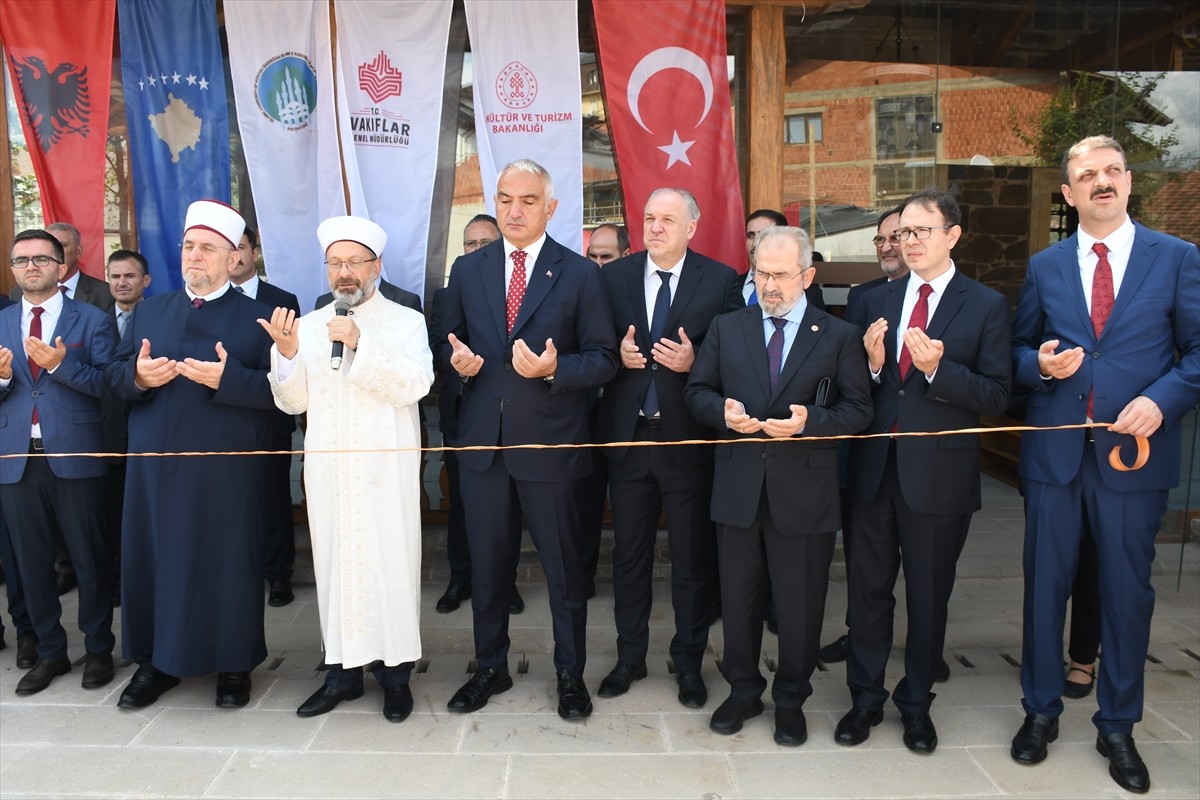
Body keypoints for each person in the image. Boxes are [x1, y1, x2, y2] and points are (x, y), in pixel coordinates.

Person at [1009, 135, 1199, 794]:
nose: (1101, 182)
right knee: (1043, 590)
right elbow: (1016, 351)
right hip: (1055, 455)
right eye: (1086, 175)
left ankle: (1117, 724)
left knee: (1126, 596)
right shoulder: (1045, 264)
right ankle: (1039, 711)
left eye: (1111, 170)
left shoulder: (1177, 258)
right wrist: (1037, 364)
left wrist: (1161, 400)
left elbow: (1198, 354)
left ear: (1128, 181)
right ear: (1067, 193)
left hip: (1134, 457)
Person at [436, 158, 618, 721]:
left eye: (528, 201)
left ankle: (570, 674)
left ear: (551, 208)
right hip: (485, 447)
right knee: (488, 568)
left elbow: (604, 359)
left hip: (551, 444)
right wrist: (461, 364)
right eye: (506, 199)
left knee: (564, 572)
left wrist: (553, 371)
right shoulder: (469, 271)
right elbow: (451, 348)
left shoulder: (579, 274)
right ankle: (489, 667)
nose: (515, 211)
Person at [685, 225, 872, 746]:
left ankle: (791, 698)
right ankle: (743, 690)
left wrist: (809, 420)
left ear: (807, 277)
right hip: (738, 490)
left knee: (800, 605)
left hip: (804, 495)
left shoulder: (837, 335)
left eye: (780, 275)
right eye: (760, 273)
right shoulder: (727, 328)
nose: (769, 284)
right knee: (739, 601)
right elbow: (697, 391)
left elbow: (859, 410)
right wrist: (720, 411)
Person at [838, 189, 1011, 754]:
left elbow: (998, 392)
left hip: (939, 479)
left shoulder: (984, 304)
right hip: (873, 472)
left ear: (952, 235)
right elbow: (848, 391)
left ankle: (916, 705)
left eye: (921, 231)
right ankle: (863, 699)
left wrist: (939, 370)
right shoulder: (872, 300)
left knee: (929, 596)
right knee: (867, 593)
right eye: (903, 232)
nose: (909, 242)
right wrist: (869, 363)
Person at [106, 200, 278, 710]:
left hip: (226, 468)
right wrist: (137, 378)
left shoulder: (262, 316)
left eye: (208, 248)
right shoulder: (150, 310)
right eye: (188, 247)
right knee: (154, 560)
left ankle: (232, 665)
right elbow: (112, 378)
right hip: (155, 466)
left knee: (227, 561)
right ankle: (154, 664)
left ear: (235, 259)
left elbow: (285, 395)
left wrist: (232, 381)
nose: (195, 257)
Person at [261, 215, 433, 722]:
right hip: (331, 474)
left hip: (386, 473)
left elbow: (415, 385)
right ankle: (343, 674)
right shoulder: (309, 327)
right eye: (335, 263)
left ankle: (396, 676)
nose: (344, 273)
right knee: (337, 568)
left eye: (354, 263)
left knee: (391, 568)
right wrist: (288, 356)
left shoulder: (406, 321)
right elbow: (293, 404)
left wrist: (361, 342)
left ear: (375, 266)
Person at [596, 188, 742, 708]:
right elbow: (591, 344)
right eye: (649, 217)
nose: (656, 227)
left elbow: (736, 356)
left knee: (691, 561)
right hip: (630, 440)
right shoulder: (611, 277)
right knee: (628, 558)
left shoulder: (721, 281)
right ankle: (629, 658)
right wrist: (616, 355)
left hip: (688, 440)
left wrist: (695, 360)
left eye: (667, 219)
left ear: (692, 227)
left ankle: (688, 664)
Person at [0, 229, 117, 695]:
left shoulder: (91, 319)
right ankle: (50, 651)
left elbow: (110, 385)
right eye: (22, 260)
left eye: (42, 259)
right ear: (12, 269)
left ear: (61, 265)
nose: (32, 266)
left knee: (89, 560)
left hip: (75, 455)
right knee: (30, 564)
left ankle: (99, 648)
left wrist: (59, 365)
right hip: (15, 460)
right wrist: (3, 378)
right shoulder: (2, 321)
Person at [434, 214, 524, 616]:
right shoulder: (453, 288)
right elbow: (440, 347)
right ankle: (461, 577)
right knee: (464, 505)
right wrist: (457, 363)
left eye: (486, 244)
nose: (477, 251)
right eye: (470, 244)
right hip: (466, 415)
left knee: (510, 508)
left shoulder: (518, 287)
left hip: (514, 415)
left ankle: (505, 583)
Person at [231, 226, 302, 608]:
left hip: (269, 413)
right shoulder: (210, 301)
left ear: (254, 252)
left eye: (241, 248)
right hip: (223, 415)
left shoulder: (281, 299)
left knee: (273, 498)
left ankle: (278, 575)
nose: (235, 256)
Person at [103, 250, 152, 600]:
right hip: (106, 436)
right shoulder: (94, 320)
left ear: (145, 281)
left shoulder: (158, 317)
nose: (122, 283)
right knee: (112, 515)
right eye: (115, 276)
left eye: (129, 276)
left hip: (149, 434)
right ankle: (118, 581)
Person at [10, 222, 114, 313]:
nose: (56, 251)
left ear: (78, 251)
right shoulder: (17, 293)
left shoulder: (105, 293)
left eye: (62, 245)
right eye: (50, 247)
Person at [743, 209, 825, 312]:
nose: (755, 243)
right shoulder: (730, 285)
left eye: (763, 235)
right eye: (750, 235)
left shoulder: (809, 292)